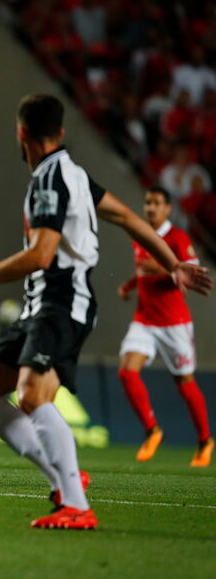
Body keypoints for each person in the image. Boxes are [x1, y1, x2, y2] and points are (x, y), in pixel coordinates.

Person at [0, 95, 211, 530]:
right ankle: (65, 482)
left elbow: (42, 254)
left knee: (31, 395)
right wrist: (173, 262)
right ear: (61, 132)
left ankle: (77, 505)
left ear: (21, 131)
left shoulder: (50, 180)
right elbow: (128, 218)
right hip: (40, 305)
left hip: (63, 302)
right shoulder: (75, 175)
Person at [116, 186, 213, 467]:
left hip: (174, 323)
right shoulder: (141, 235)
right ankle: (152, 430)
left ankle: (205, 440)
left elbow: (190, 274)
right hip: (144, 319)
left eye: (157, 203)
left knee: (184, 382)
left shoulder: (178, 238)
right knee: (126, 371)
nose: (151, 208)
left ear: (168, 208)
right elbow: (142, 270)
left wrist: (159, 267)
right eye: (148, 202)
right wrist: (130, 284)